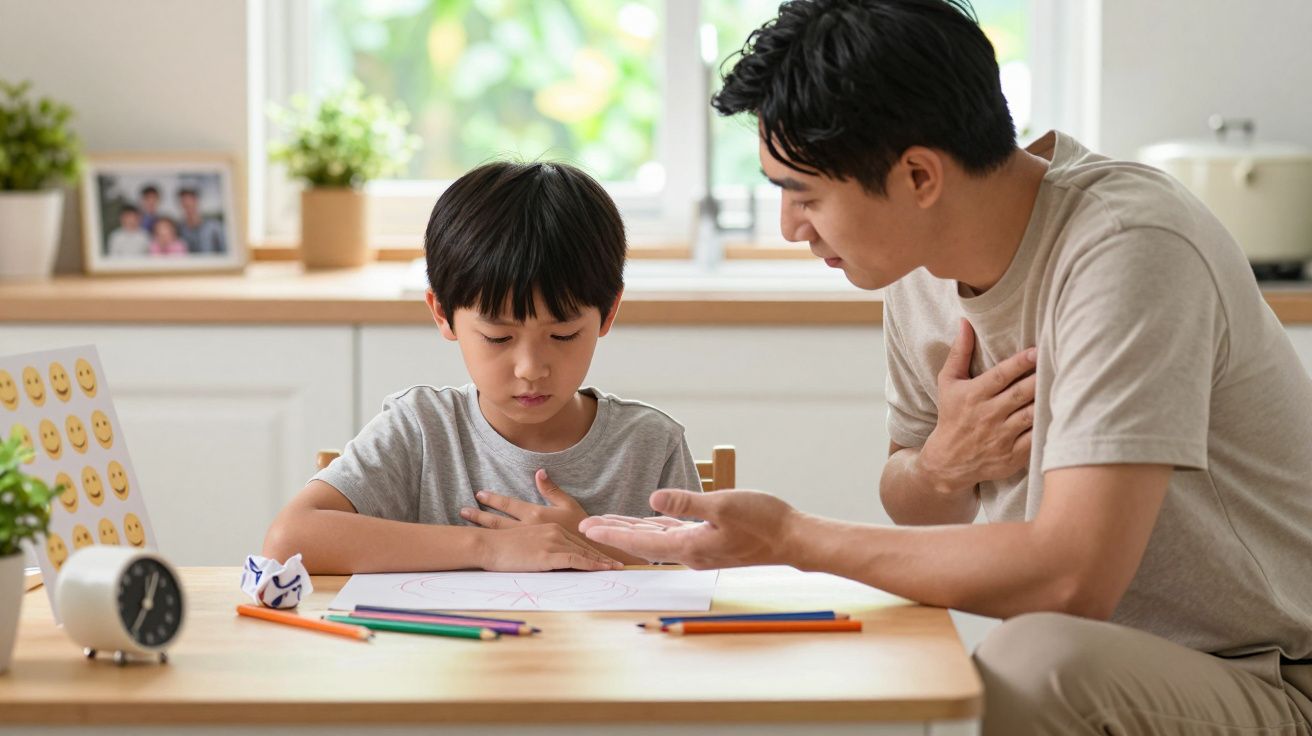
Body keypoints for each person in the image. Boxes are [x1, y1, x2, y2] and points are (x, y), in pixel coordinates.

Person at [580, 1, 1312, 733]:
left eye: (804, 194)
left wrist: (791, 538)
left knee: (1032, 663)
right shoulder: (915, 257)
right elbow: (917, 501)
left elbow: (1072, 577)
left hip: (1266, 669)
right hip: (1122, 654)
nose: (789, 227)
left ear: (920, 176)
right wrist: (941, 465)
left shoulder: (1129, 247)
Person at [263, 161, 703, 574]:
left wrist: (593, 546)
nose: (531, 368)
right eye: (498, 337)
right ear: (443, 313)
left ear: (608, 313)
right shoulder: (421, 429)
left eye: (563, 335)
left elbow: (700, 590)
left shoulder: (651, 445)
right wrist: (489, 548)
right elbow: (289, 540)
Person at [176, 187, 225, 254]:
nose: (188, 207)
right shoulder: (179, 229)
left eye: (190, 203)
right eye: (184, 204)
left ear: (197, 202)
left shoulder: (214, 226)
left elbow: (224, 250)